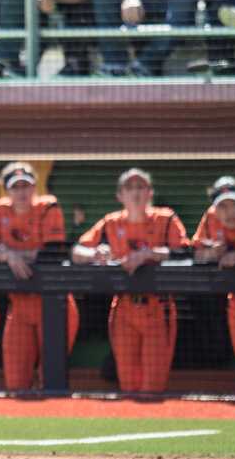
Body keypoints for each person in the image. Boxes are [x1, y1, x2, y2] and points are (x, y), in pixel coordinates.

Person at [72, 168, 188, 393]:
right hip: (123, 308)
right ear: (120, 196)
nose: (135, 193)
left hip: (158, 307)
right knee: (127, 382)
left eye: (141, 187)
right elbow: (77, 251)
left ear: (150, 193)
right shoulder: (111, 223)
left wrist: (149, 254)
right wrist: (94, 254)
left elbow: (185, 252)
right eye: (129, 188)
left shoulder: (166, 219)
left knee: (152, 386)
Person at [0, 162, 79, 391]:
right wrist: (8, 256)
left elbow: (53, 251)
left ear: (35, 188)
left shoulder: (48, 207)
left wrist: (12, 253)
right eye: (15, 187)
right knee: (16, 381)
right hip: (19, 306)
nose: (21, 192)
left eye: (26, 186)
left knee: (51, 378)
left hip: (53, 305)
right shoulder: (0, 210)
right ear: (7, 191)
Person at [192, 176, 235, 392]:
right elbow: (196, 255)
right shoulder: (210, 219)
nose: (229, 212)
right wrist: (211, 253)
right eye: (223, 206)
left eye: (234, 204)